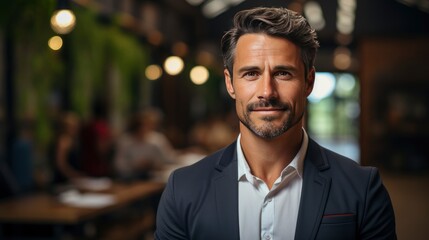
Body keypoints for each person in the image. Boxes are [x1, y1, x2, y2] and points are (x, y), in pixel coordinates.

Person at [155, 7, 396, 240]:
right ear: (230, 84)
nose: (267, 92)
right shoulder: (183, 190)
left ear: (308, 82)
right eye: (251, 73)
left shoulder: (362, 188)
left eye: (283, 73)